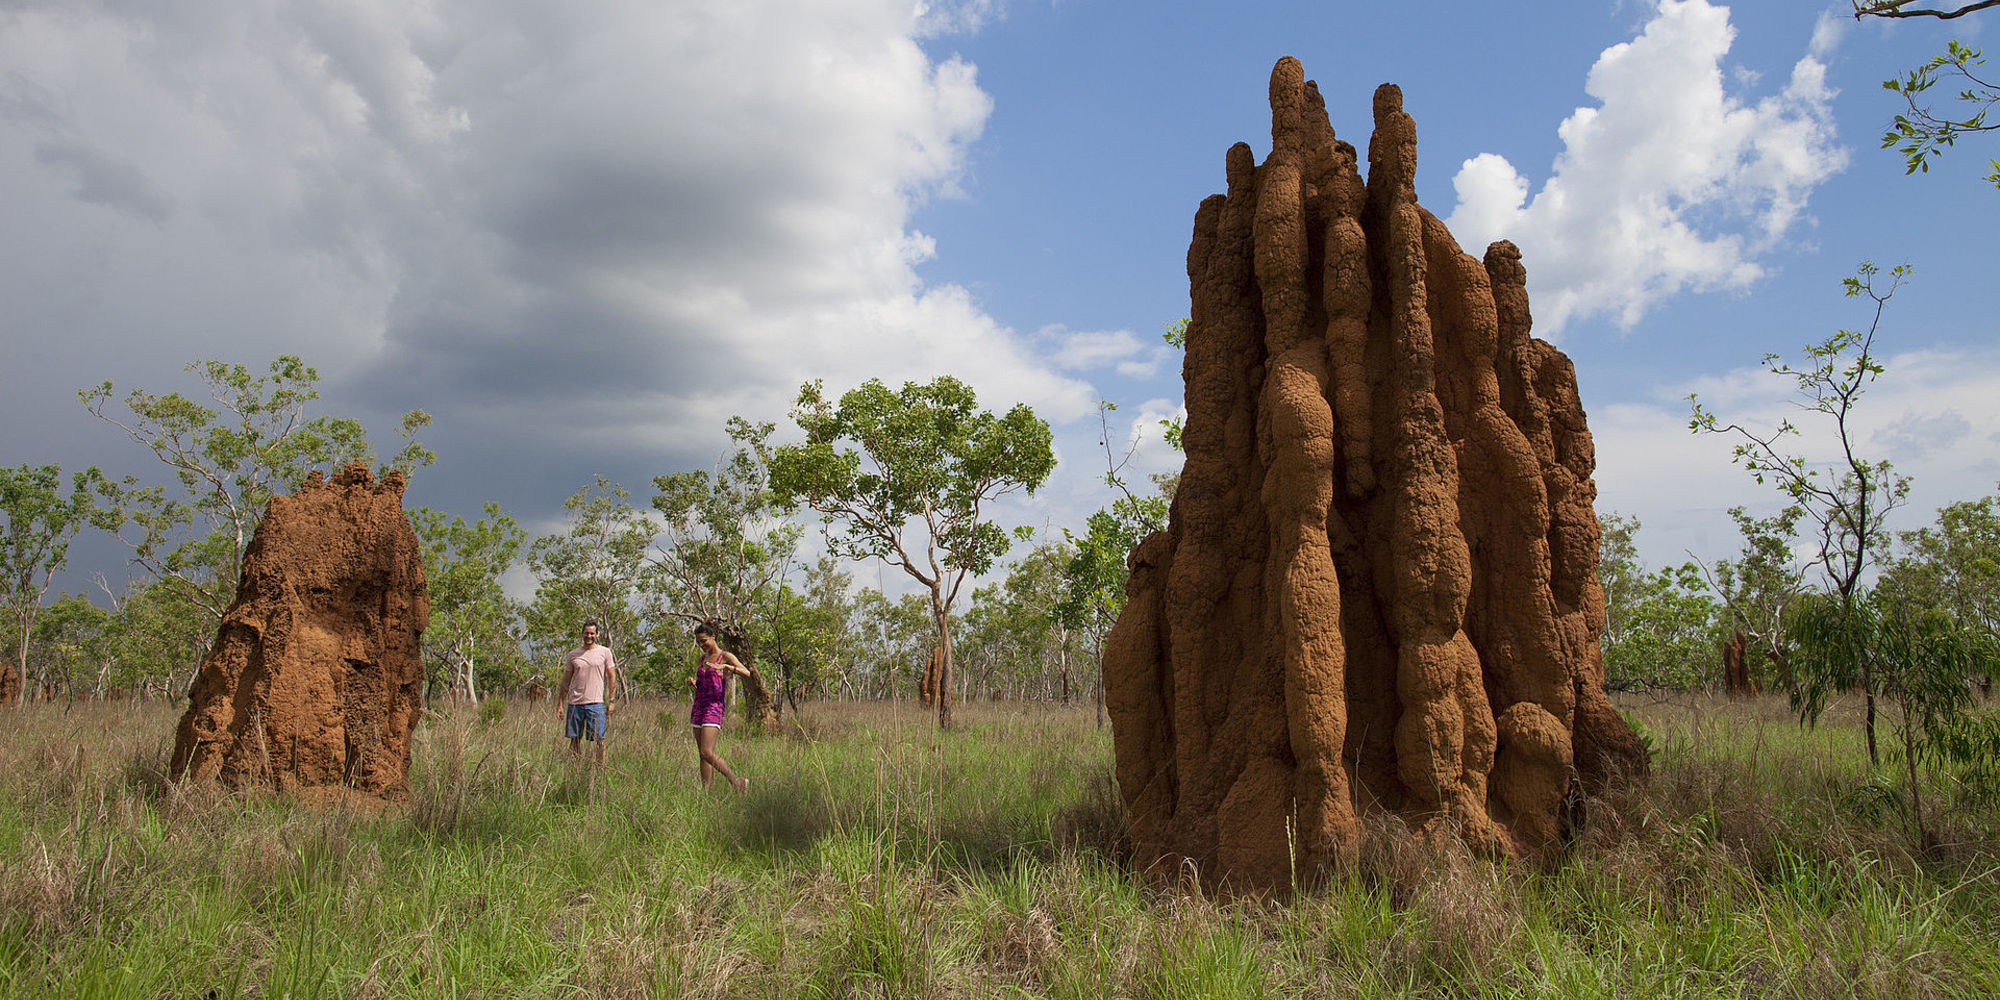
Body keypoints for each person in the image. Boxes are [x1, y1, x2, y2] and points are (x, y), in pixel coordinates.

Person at [689, 622, 751, 791]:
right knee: (702, 755)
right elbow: (706, 683)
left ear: (713, 637)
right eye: (699, 642)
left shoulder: (725, 656)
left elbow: (747, 672)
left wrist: (726, 667)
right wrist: (694, 683)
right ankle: (706, 791)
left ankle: (737, 783)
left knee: (707, 752)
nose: (701, 645)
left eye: (704, 641)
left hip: (714, 708)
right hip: (698, 707)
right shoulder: (703, 659)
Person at [556, 619, 618, 765]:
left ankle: (599, 769)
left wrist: (611, 700)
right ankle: (575, 769)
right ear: (582, 634)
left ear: (597, 634)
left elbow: (611, 676)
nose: (588, 636)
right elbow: (566, 681)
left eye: (591, 633)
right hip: (575, 704)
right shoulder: (573, 655)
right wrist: (560, 704)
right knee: (574, 739)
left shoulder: (604, 652)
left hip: (595, 703)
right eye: (586, 633)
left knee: (600, 740)